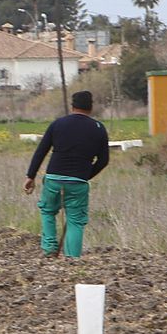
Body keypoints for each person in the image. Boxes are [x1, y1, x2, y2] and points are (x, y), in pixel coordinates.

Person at [23, 90, 110, 258]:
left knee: (48, 211)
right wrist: (86, 175)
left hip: (53, 178)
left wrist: (30, 176)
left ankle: (49, 249)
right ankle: (72, 258)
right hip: (78, 182)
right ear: (90, 107)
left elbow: (41, 151)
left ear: (72, 106)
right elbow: (103, 160)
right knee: (75, 221)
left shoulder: (58, 124)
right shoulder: (98, 128)